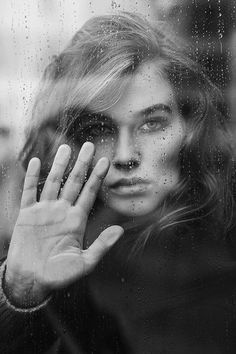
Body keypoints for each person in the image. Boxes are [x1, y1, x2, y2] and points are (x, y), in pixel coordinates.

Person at [0, 11, 236, 354]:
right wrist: (19, 292)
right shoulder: (49, 242)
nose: (126, 156)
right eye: (98, 130)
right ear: (71, 139)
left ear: (189, 127)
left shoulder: (225, 240)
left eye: (152, 123)